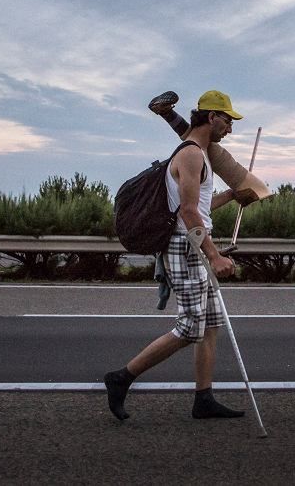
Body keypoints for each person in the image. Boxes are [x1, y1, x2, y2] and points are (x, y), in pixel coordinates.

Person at [104, 90, 248, 421]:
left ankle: (203, 399)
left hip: (193, 242)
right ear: (212, 118)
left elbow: (199, 206)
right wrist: (214, 256)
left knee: (210, 324)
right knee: (190, 328)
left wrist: (231, 195)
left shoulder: (200, 156)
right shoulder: (192, 155)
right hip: (185, 248)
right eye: (227, 121)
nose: (230, 129)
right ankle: (121, 378)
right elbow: (187, 213)